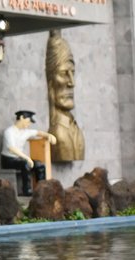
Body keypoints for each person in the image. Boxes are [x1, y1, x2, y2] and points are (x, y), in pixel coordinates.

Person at [46, 29, 85, 161]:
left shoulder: (75, 128)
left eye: (72, 73)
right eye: (63, 74)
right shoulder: (57, 131)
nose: (71, 83)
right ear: (50, 80)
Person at [0, 110, 56, 196]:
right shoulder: (9, 131)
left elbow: (38, 133)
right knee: (26, 164)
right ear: (22, 118)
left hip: (20, 159)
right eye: (28, 121)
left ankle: (41, 190)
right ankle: (27, 190)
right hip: (9, 159)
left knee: (40, 165)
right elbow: (11, 148)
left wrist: (49, 135)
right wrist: (26, 158)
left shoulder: (26, 131)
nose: (29, 124)